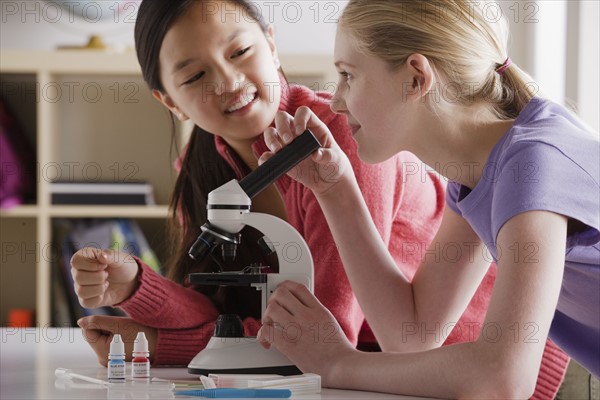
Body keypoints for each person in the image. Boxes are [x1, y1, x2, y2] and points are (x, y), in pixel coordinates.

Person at [69, 0, 444, 368]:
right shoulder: (199, 166)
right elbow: (211, 306)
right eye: (195, 76)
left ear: (272, 45)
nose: (228, 82)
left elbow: (326, 336)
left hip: (432, 368)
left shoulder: (339, 140)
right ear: (171, 103)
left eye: (240, 51)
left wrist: (160, 345)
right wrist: (134, 284)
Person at [257, 0, 598, 398]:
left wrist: (339, 364)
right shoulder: (479, 176)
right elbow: (412, 335)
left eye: (348, 75)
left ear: (416, 78)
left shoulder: (532, 163)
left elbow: (504, 378)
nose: (336, 100)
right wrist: (335, 190)